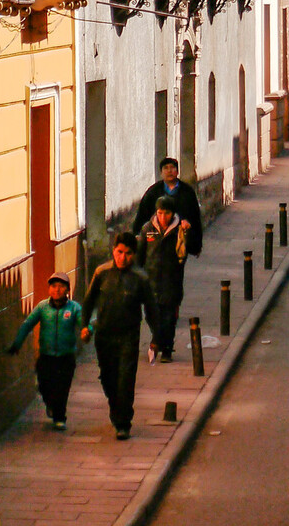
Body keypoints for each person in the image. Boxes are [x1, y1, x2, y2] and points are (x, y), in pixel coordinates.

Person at [81, 232, 160, 439]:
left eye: (127, 253)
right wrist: (84, 326)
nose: (122, 258)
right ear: (113, 251)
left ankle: (123, 422)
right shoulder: (102, 273)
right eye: (119, 252)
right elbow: (88, 302)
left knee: (125, 380)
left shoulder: (140, 278)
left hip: (129, 336)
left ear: (133, 254)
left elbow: (151, 310)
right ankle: (116, 409)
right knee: (109, 379)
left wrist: (156, 338)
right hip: (104, 335)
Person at [6, 271, 82, 430]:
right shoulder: (42, 307)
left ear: (67, 290)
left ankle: (59, 418)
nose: (57, 290)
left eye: (61, 287)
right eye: (54, 286)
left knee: (62, 387)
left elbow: (83, 323)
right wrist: (17, 344)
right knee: (43, 384)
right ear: (49, 289)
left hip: (66, 356)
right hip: (46, 356)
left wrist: (87, 330)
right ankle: (51, 405)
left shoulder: (74, 308)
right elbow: (27, 324)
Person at [137, 199, 187, 362]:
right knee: (151, 315)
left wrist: (187, 233)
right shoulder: (148, 229)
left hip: (172, 281)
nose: (163, 217)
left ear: (172, 213)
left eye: (166, 213)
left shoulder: (179, 229)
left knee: (169, 317)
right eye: (160, 213)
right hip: (151, 281)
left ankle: (166, 349)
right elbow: (140, 256)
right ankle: (157, 339)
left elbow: (184, 253)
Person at [133, 157, 203, 259]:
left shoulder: (187, 192)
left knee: (176, 266)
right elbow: (143, 213)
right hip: (157, 237)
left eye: (172, 167)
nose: (169, 171)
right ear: (161, 172)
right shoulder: (153, 191)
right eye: (166, 168)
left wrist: (196, 244)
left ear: (177, 171)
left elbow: (195, 217)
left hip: (178, 237)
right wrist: (137, 234)